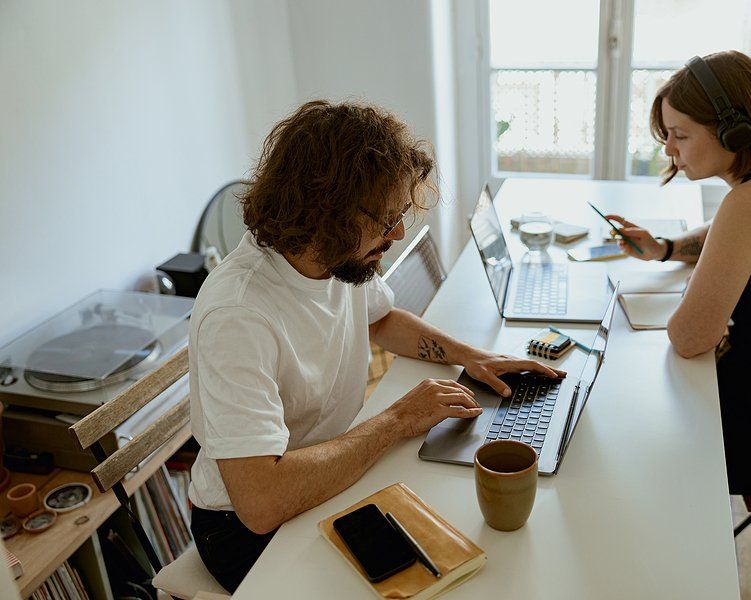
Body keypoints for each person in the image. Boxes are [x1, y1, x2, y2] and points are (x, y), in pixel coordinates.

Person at [187, 100, 564, 592]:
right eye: (388, 219)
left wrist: (473, 357)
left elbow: (382, 319)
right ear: (328, 210)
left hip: (324, 472)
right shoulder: (238, 314)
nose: (399, 232)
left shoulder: (332, 256)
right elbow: (261, 502)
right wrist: (398, 419)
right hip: (246, 528)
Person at [607, 51, 751, 495]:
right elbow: (722, 235)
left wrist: (692, 294)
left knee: (626, 440)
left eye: (680, 135)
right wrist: (667, 249)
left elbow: (689, 337)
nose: (669, 150)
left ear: (735, 132)